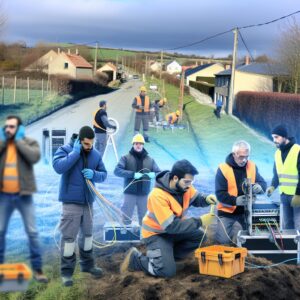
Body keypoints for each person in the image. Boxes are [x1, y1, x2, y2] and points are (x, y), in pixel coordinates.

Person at [120, 159, 217, 278]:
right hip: (156, 234)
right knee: (166, 272)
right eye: (187, 182)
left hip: (172, 232)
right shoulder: (157, 195)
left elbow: (196, 198)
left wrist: (206, 199)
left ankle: (168, 257)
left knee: (199, 236)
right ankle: (136, 259)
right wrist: (200, 221)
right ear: (175, 178)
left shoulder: (185, 187)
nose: (190, 185)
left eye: (192, 182)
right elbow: (172, 226)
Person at [53, 126, 107, 287]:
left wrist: (95, 174)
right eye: (85, 144)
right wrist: (75, 153)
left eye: (91, 144)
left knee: (88, 236)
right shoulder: (66, 149)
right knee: (69, 239)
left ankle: (88, 266)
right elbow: (58, 168)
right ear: (79, 140)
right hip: (71, 203)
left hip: (88, 202)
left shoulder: (95, 154)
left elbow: (104, 174)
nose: (88, 147)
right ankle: (67, 273)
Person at [0, 115, 48, 283]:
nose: (8, 129)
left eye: (12, 127)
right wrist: (4, 141)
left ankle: (38, 270)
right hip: (4, 196)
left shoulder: (29, 143)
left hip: (24, 196)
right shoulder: (2, 144)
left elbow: (34, 157)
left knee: (32, 232)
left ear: (19, 129)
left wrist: (19, 141)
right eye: (6, 126)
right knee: (0, 232)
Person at [215, 140, 267, 244]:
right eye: (241, 157)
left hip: (247, 210)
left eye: (247, 156)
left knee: (256, 237)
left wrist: (260, 187)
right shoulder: (223, 168)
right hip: (227, 211)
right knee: (223, 241)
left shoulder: (252, 166)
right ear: (234, 154)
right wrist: (236, 201)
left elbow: (263, 183)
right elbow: (220, 194)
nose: (244, 160)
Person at [114, 134, 160, 225]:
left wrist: (154, 174)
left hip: (143, 194)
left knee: (144, 219)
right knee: (126, 216)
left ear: (143, 145)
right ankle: (125, 235)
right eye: (136, 143)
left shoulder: (150, 160)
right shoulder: (125, 158)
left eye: (140, 143)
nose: (138, 145)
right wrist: (133, 174)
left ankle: (144, 237)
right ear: (133, 144)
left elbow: (160, 173)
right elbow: (117, 171)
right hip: (129, 193)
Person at [267, 125, 300, 230]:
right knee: (287, 226)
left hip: (297, 196)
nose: (274, 140)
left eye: (276, 137)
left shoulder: (298, 150)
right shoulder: (277, 154)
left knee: (299, 225)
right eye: (273, 137)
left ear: (285, 137)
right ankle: (290, 247)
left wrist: (298, 194)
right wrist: (272, 186)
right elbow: (276, 174)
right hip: (284, 196)